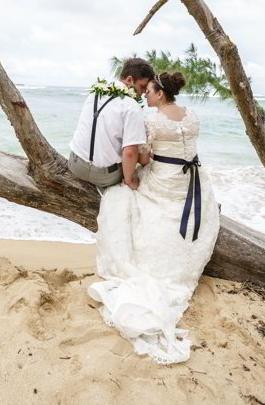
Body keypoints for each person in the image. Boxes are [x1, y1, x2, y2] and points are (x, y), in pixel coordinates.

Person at [87, 71, 221, 365]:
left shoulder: (151, 120)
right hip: (191, 182)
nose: (144, 95)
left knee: (122, 197)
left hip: (165, 179)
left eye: (148, 91)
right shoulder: (192, 115)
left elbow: (144, 158)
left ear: (160, 93)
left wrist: (133, 173)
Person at [68, 58, 155, 188]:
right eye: (142, 87)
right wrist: (130, 181)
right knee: (136, 151)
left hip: (75, 164)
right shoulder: (132, 106)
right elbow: (130, 152)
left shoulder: (95, 93)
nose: (143, 93)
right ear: (130, 80)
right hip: (103, 176)